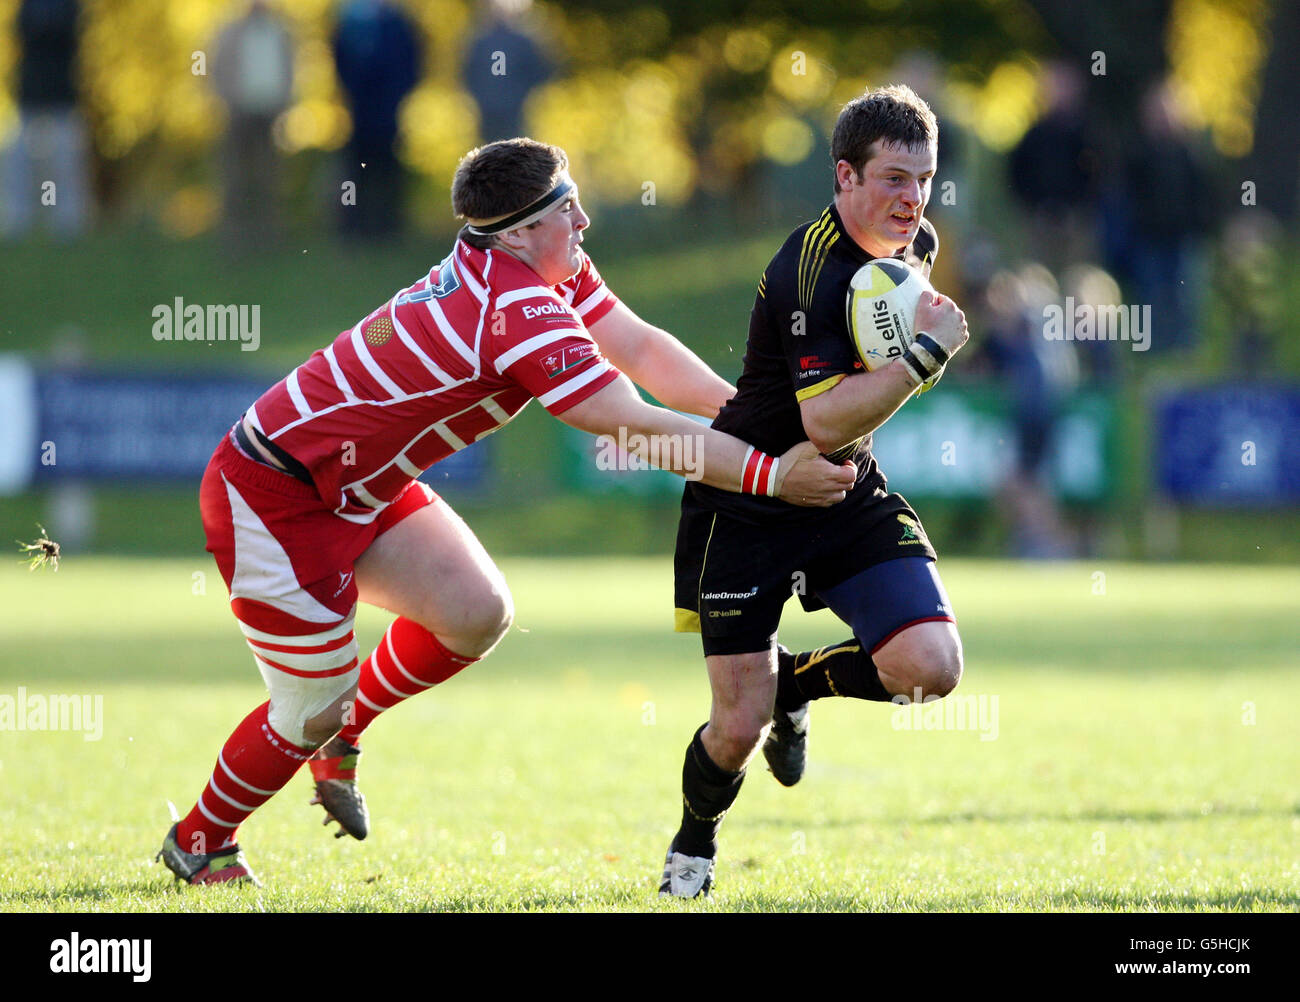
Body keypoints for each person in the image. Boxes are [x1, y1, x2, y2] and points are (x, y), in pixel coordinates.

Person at [155, 137, 856, 886]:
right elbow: (633, 422)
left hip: (358, 486)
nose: (584, 220)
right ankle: (200, 842)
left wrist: (757, 422)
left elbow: (643, 352)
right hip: (272, 495)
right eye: (567, 209)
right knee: (306, 713)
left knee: (475, 612)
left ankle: (345, 728)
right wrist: (772, 475)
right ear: (520, 230)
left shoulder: (534, 267)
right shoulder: (515, 306)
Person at [661, 85, 970, 898]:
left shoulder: (917, 244)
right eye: (895, 179)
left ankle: (798, 682)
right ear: (845, 175)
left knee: (930, 669)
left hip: (841, 495)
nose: (912, 200)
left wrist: (910, 352)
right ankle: (693, 846)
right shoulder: (808, 270)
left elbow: (847, 429)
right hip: (750, 501)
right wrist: (925, 357)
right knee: (735, 727)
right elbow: (825, 421)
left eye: (925, 179)